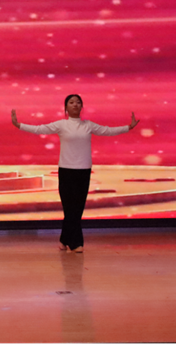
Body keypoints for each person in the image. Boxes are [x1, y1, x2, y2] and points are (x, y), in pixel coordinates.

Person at [11, 94, 139, 253]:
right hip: (66, 170)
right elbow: (40, 129)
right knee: (69, 208)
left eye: (78, 103)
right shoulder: (61, 125)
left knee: (77, 208)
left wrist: (128, 127)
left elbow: (107, 131)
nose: (75, 105)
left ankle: (64, 239)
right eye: (71, 103)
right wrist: (19, 125)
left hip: (83, 170)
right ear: (66, 108)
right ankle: (76, 243)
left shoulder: (88, 125)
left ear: (81, 107)